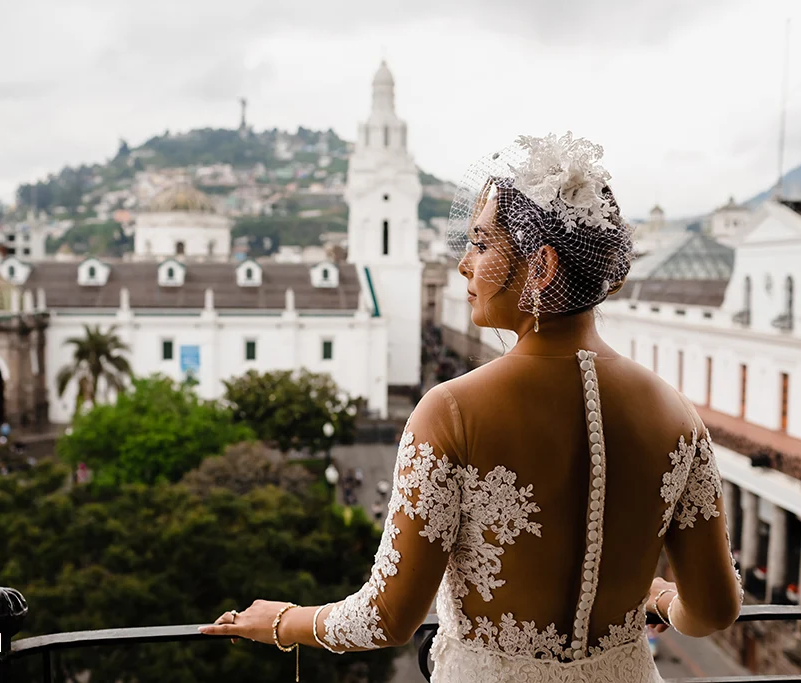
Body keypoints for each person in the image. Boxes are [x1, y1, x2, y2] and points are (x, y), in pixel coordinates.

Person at [201, 133, 743, 681]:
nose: (463, 264)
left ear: (542, 267)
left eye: (482, 245)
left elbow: (387, 617)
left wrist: (284, 622)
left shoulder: (450, 411)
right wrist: (660, 601)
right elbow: (716, 610)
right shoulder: (677, 415)